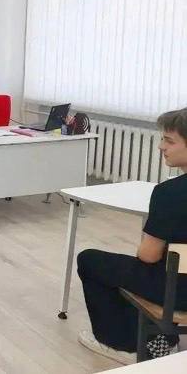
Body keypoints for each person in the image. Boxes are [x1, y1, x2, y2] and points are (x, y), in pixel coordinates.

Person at [77, 107, 187, 364]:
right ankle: (160, 338)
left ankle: (122, 345)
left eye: (169, 141)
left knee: (90, 260)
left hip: (180, 291)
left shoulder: (170, 193)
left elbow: (148, 256)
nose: (161, 147)